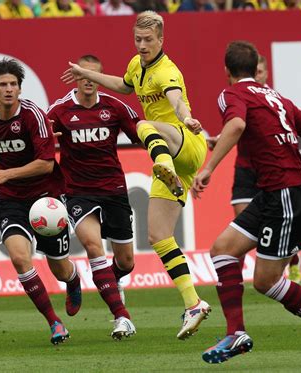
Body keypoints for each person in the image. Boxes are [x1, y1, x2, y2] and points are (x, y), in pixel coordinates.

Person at [192, 41, 301, 365]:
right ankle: (236, 332)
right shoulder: (278, 97)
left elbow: (236, 125)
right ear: (255, 69)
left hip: (287, 197)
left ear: (227, 71)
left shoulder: (232, 94)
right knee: (222, 248)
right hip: (278, 193)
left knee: (265, 281)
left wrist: (208, 168)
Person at [61, 11, 211, 340]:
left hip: (182, 142)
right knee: (158, 236)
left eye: (148, 40)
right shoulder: (135, 65)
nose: (142, 46)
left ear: (161, 40)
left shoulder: (167, 70)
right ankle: (193, 303)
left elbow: (176, 100)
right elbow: (122, 86)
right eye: (138, 40)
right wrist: (86, 72)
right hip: (168, 156)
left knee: (142, 125)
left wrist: (188, 118)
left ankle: (166, 168)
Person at [0, 58, 81, 345]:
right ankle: (54, 323)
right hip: (11, 201)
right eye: (3, 85)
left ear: (20, 89)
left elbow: (46, 164)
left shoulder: (34, 116)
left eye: (13, 85)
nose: (8, 90)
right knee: (20, 258)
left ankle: (73, 279)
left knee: (59, 268)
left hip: (45, 198)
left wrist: (4, 173)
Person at [47, 55, 140, 340]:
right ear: (75, 77)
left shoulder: (115, 107)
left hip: (113, 189)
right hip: (78, 192)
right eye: (83, 75)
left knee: (126, 262)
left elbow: (141, 134)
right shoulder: (59, 111)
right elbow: (40, 142)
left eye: (94, 75)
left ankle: (113, 281)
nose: (89, 80)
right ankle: (122, 317)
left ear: (101, 78)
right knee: (92, 246)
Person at [207, 55, 301, 283]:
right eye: (255, 71)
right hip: (245, 170)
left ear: (266, 74)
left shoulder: (272, 100)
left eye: (261, 72)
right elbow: (238, 124)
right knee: (243, 224)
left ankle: (293, 260)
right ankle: (234, 279)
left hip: (271, 174)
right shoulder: (242, 97)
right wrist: (220, 139)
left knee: (270, 226)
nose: (257, 76)